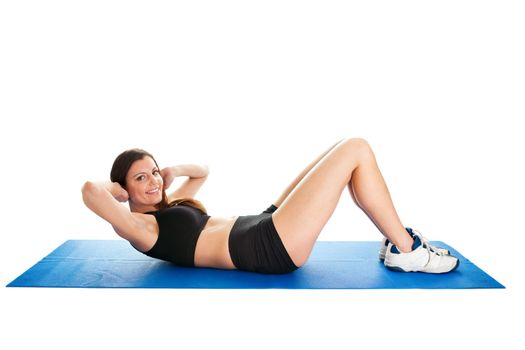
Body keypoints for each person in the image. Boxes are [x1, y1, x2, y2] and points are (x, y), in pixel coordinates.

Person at [81, 138, 459, 274]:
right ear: (124, 188)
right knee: (355, 149)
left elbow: (203, 171)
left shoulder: (168, 207)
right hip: (265, 247)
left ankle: (396, 243)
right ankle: (407, 251)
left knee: (339, 150)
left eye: (152, 172)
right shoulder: (139, 228)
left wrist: (171, 170)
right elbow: (89, 191)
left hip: (263, 224)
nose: (153, 181)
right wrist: (116, 191)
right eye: (140, 178)